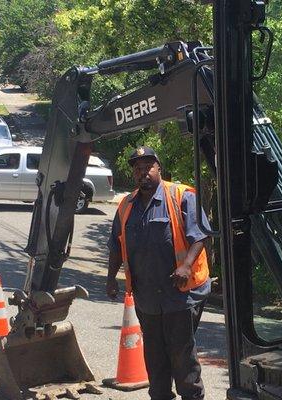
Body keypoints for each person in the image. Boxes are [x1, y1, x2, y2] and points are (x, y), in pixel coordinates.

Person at [106, 146, 210, 400]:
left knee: (181, 355)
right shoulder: (126, 206)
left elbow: (201, 235)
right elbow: (116, 246)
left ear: (159, 168)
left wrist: (185, 266)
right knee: (154, 357)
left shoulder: (181, 196)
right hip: (147, 298)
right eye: (137, 169)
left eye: (148, 167)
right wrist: (110, 279)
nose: (143, 173)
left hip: (181, 295)